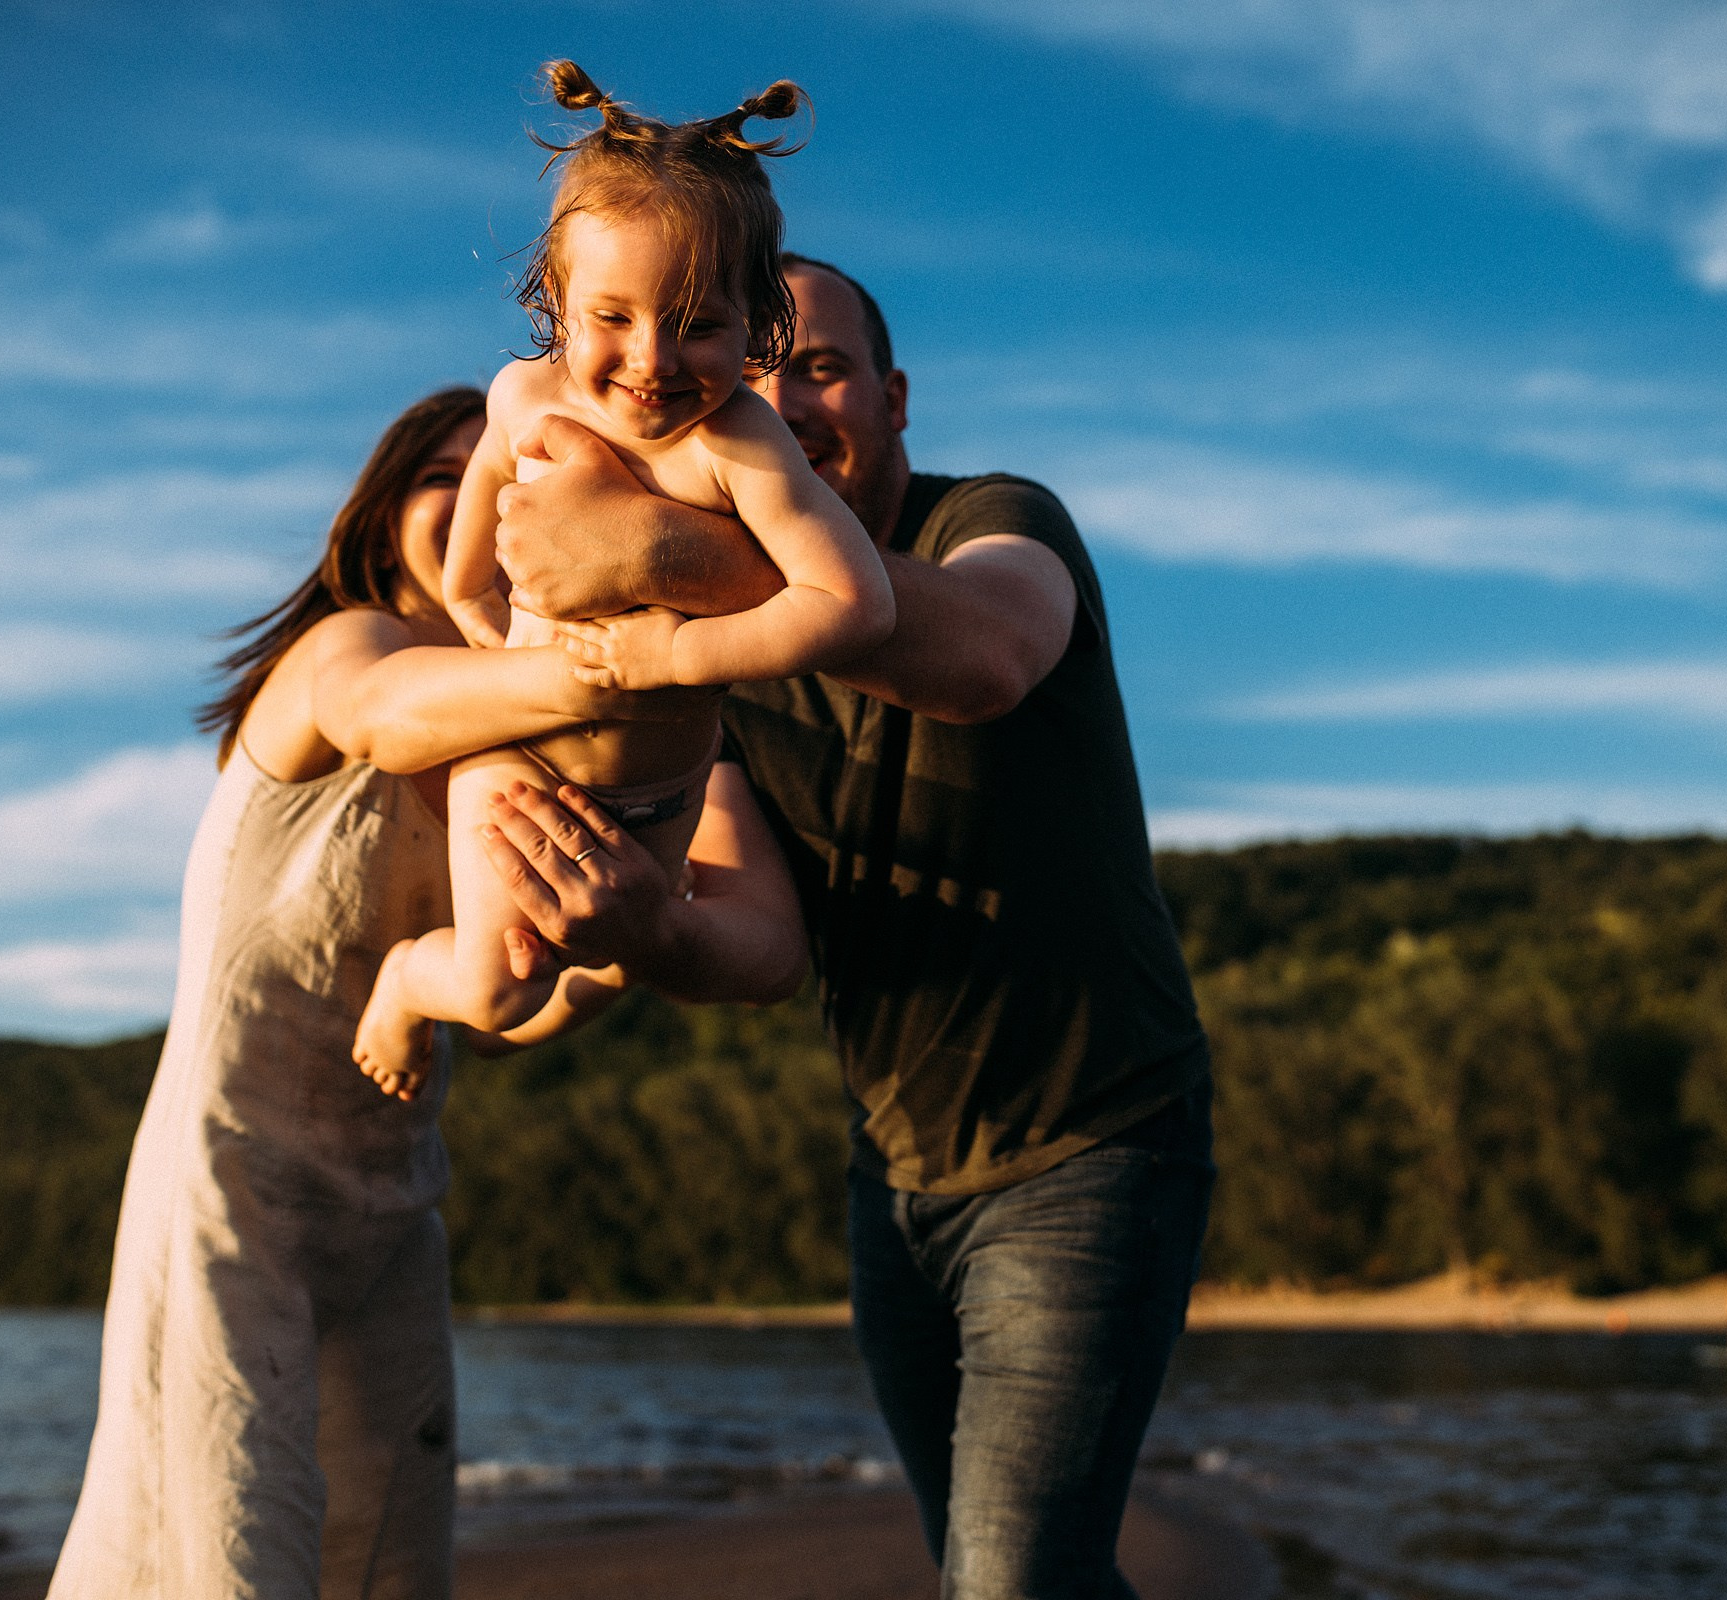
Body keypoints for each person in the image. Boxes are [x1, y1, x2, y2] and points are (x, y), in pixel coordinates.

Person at [469, 256, 1216, 1598]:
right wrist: (650, 926)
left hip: (1094, 1140)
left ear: (893, 394)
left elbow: (988, 652)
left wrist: (654, 553)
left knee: (1008, 1585)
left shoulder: (992, 521)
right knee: (994, 1572)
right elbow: (757, 936)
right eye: (754, 369)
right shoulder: (715, 673)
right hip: (896, 1174)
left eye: (817, 364)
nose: (787, 397)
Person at [48, 385, 805, 1600]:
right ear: (384, 512)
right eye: (450, 476)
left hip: (395, 1208)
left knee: (389, 1568)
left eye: (515, 473)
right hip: (228, 1193)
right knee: (228, 1557)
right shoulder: (347, 647)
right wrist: (631, 669)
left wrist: (618, 936)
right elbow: (385, 716)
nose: (494, 493)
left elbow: (515, 1016)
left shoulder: (545, 756)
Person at [351, 62, 891, 1088]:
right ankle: (407, 980)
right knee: (502, 985)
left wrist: (678, 648)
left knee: (600, 957)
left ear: (759, 320)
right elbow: (470, 575)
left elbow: (855, 604)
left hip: (664, 792)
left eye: (700, 324)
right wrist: (514, 664)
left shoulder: (740, 444)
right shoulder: (519, 402)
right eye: (615, 317)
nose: (653, 359)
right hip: (520, 771)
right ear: (555, 300)